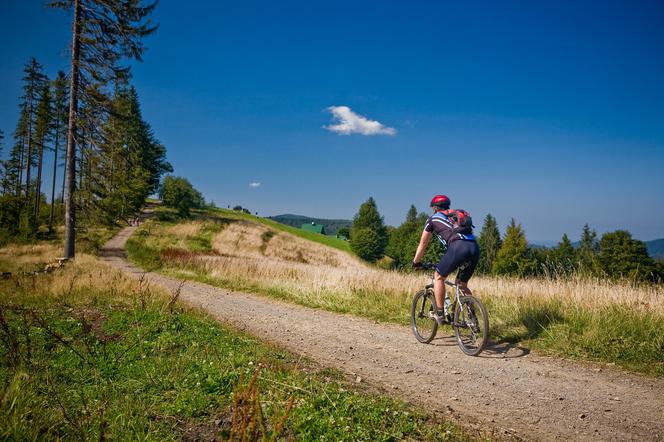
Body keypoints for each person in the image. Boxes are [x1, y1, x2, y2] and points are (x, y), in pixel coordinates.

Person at [412, 195, 479, 323]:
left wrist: (416, 262)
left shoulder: (432, 219)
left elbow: (423, 243)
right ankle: (473, 318)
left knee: (438, 277)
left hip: (457, 247)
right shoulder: (457, 214)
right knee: (462, 284)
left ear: (435, 208)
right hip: (474, 247)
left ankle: (440, 313)